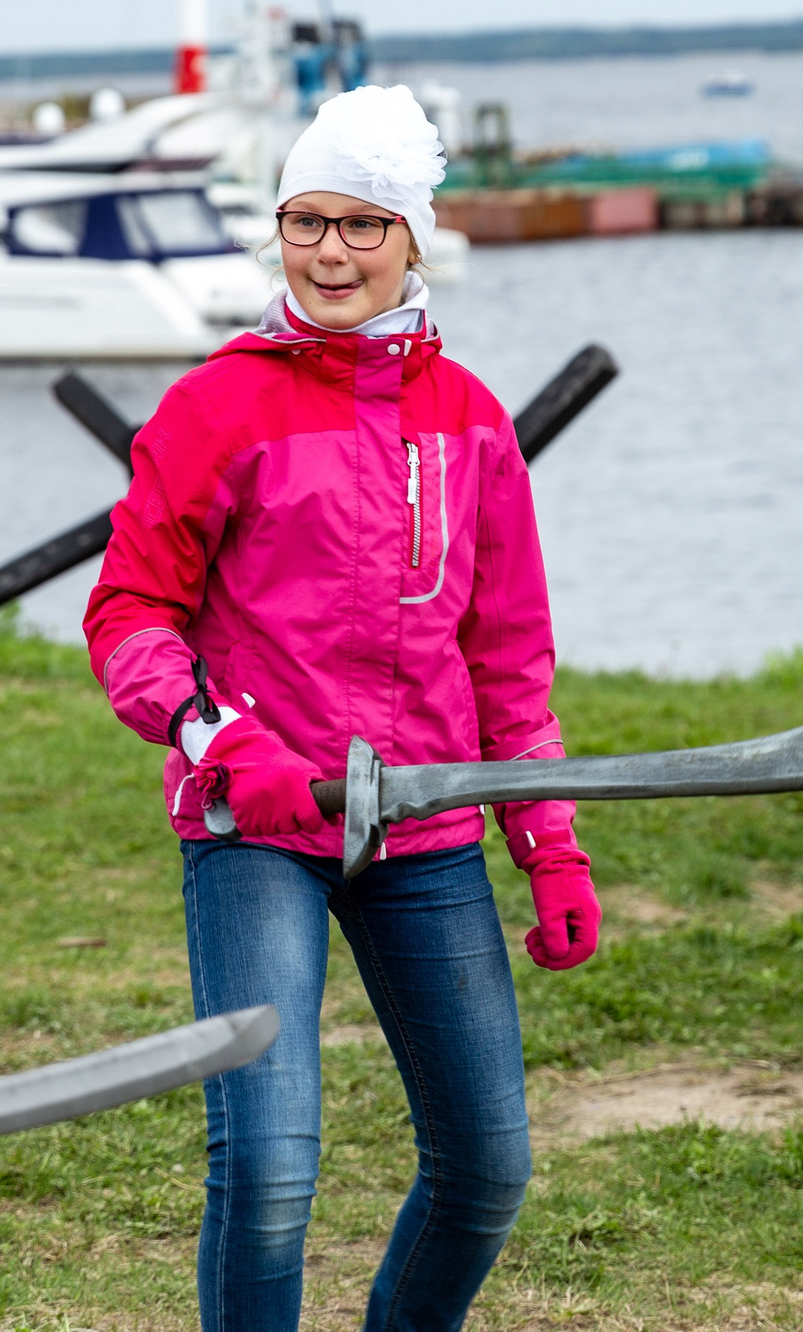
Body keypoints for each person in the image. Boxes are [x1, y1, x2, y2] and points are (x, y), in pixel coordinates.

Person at [83, 85, 596, 1332]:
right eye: (305, 220)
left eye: (363, 226)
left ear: (415, 239)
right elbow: (128, 617)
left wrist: (550, 842)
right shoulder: (218, 406)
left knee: (487, 1169)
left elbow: (509, 661)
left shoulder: (471, 421)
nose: (329, 251)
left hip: (426, 831)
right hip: (257, 828)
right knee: (265, 1172)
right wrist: (222, 740)